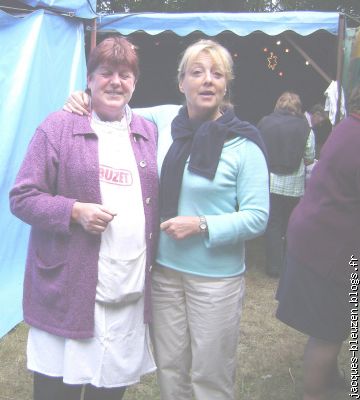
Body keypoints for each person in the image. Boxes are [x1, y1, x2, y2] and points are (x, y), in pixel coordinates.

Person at [64, 39, 269, 400]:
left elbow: (257, 218)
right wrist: (82, 97)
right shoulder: (160, 121)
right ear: (181, 83)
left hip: (215, 281)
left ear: (225, 85)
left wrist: (202, 224)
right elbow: (113, 103)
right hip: (164, 275)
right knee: (170, 370)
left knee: (210, 375)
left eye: (217, 74)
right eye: (197, 72)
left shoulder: (244, 144)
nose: (207, 80)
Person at [9, 36, 158, 400]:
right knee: (56, 392)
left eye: (125, 75)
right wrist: (74, 211)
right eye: (106, 72)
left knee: (108, 393)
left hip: (126, 291)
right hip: (69, 291)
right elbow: (22, 197)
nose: (116, 82)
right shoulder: (58, 126)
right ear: (89, 79)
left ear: (135, 83)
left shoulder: (147, 131)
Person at [276, 85, 360, 400]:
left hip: (315, 236)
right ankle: (316, 393)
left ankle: (337, 378)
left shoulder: (347, 127)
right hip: (331, 249)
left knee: (336, 322)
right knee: (329, 330)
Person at [257, 92, 315, 277]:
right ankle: (289, 265)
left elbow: (256, 149)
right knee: (290, 224)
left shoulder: (265, 122)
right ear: (297, 108)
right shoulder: (306, 128)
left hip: (269, 182)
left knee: (273, 223)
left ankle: (274, 267)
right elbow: (309, 158)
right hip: (293, 185)